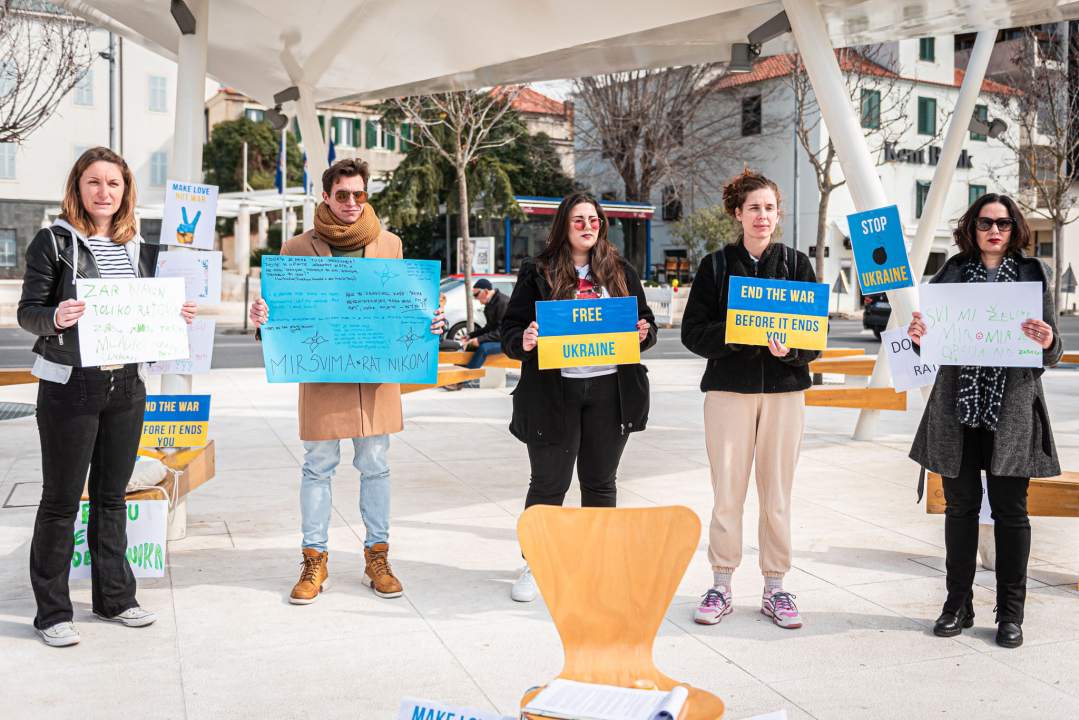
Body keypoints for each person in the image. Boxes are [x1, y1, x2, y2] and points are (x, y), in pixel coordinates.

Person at [18, 147, 197, 646]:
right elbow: (28, 311)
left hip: (127, 386)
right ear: (78, 187)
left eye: (113, 183)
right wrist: (55, 317)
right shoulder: (54, 242)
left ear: (125, 191)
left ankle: (115, 599)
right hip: (70, 384)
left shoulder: (141, 247)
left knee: (112, 497)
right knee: (61, 501)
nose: (104, 192)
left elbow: (144, 312)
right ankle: (52, 614)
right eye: (94, 182)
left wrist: (172, 315)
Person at [249, 158, 444, 605]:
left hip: (376, 377)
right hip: (323, 374)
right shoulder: (296, 248)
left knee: (376, 464)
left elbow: (405, 307)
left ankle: (378, 557)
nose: (352, 202)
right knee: (318, 466)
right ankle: (314, 559)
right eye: (342, 195)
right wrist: (263, 318)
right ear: (326, 196)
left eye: (359, 194)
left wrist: (429, 320)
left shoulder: (390, 244)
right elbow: (280, 318)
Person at [907, 193, 1061, 649]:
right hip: (957, 410)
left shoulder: (1034, 274)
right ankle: (958, 603)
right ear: (971, 228)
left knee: (1012, 511)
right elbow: (930, 347)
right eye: (985, 222)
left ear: (1015, 229)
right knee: (960, 509)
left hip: (1011, 410)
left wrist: (1048, 341)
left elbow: (1051, 352)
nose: (995, 230)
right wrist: (918, 338)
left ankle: (1011, 613)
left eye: (1004, 222)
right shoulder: (951, 273)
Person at [501, 192, 656, 602]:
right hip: (554, 394)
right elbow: (511, 330)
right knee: (549, 483)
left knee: (601, 483)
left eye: (594, 219)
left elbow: (645, 324)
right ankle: (536, 563)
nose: (588, 227)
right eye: (578, 220)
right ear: (564, 226)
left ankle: (598, 565)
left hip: (611, 391)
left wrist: (644, 333)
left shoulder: (620, 269)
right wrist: (525, 340)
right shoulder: (537, 271)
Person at [680, 168, 818, 630]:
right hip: (728, 392)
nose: (763, 215)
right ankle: (721, 584)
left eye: (770, 208)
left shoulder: (797, 265)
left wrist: (791, 351)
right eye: (754, 207)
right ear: (737, 214)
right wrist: (737, 334)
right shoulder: (715, 266)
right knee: (727, 493)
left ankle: (776, 587)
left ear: (779, 215)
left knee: (777, 495)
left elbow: (813, 338)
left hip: (784, 393)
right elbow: (693, 333)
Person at [462, 278, 509, 371]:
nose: (475, 298)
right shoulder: (490, 302)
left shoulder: (502, 303)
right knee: (468, 346)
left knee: (483, 348)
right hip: (500, 338)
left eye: (476, 294)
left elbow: (502, 332)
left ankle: (466, 377)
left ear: (486, 291)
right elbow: (489, 327)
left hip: (508, 341)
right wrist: (471, 336)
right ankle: (459, 372)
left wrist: (479, 340)